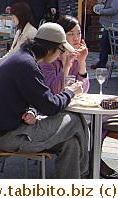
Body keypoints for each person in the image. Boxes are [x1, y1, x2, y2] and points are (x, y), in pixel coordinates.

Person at [0, 23, 88, 179]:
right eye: (61, 50)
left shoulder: (21, 57)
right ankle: (86, 175)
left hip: (5, 130)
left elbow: (33, 98)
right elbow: (49, 106)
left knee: (71, 143)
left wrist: (31, 110)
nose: (61, 54)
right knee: (75, 119)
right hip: (11, 136)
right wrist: (70, 92)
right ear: (49, 50)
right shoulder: (27, 65)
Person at [39, 15, 118, 178]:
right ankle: (89, 164)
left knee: (98, 121)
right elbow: (53, 90)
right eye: (71, 34)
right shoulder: (49, 58)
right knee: (81, 123)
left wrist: (81, 62)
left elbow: (83, 89)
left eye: (79, 33)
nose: (76, 38)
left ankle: (90, 162)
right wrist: (66, 67)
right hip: (50, 110)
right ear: (61, 36)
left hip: (68, 104)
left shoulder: (75, 56)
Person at [0, 1, 37, 70]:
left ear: (20, 15)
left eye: (13, 15)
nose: (12, 18)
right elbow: (12, 51)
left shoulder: (31, 32)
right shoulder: (19, 31)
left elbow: (17, 52)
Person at [92, 0, 118, 69]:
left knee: (105, 45)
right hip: (110, 25)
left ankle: (101, 63)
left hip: (112, 25)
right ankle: (101, 63)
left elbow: (113, 10)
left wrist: (101, 11)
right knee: (105, 45)